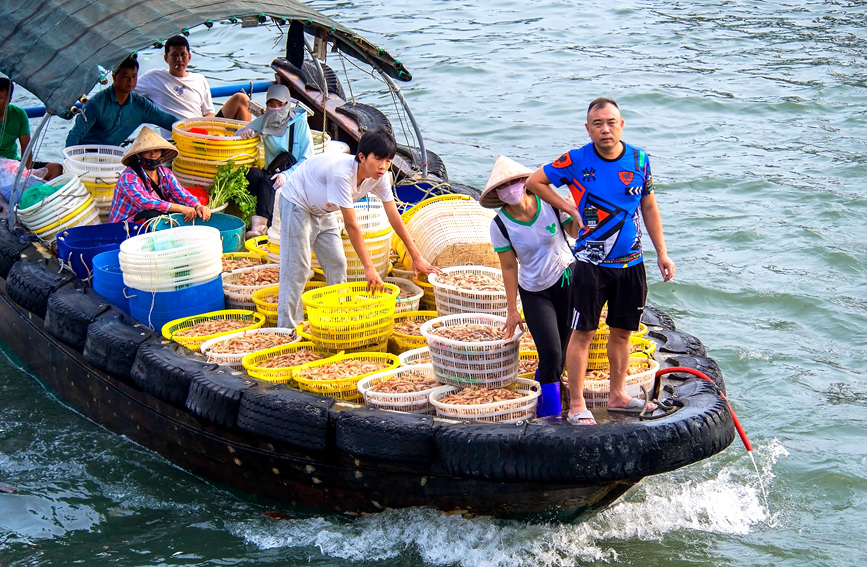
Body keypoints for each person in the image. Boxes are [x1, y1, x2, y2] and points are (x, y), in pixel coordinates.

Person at [526, 97, 675, 425]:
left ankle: (618, 395)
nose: (605, 129)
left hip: (631, 264)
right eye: (598, 124)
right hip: (591, 266)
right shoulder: (576, 160)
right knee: (583, 333)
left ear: (621, 125)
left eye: (611, 122)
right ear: (588, 128)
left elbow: (649, 207)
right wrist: (568, 208)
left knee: (622, 333)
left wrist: (662, 252)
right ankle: (577, 403)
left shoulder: (639, 159)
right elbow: (534, 182)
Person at [275, 126, 439, 331]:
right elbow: (352, 225)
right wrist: (369, 268)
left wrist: (416, 256)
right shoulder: (342, 174)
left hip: (323, 209)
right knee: (297, 269)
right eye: (378, 159)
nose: (383, 166)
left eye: (388, 161)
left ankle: (334, 319)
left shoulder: (379, 177)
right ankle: (288, 328)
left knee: (337, 263)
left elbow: (394, 216)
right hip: (297, 202)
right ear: (362, 157)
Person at [480, 155, 581, 418]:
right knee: (550, 350)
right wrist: (512, 309)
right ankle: (552, 414)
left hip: (566, 278)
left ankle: (543, 389)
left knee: (563, 348)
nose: (511, 189)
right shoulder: (500, 225)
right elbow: (509, 267)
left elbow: (572, 231)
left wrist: (574, 211)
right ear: (497, 194)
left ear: (526, 182)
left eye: (515, 182)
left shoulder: (548, 203)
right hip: (534, 290)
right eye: (504, 186)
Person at [237, 83, 314, 238]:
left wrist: (287, 174)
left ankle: (260, 228)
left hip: (295, 174)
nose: (276, 109)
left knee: (268, 182)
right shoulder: (264, 120)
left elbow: (307, 159)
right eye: (271, 105)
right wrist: (247, 132)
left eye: (281, 105)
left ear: (288, 104)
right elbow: (236, 135)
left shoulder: (299, 123)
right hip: (271, 171)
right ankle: (257, 218)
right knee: (251, 175)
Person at [135, 35, 251, 136]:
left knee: (242, 99)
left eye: (183, 55)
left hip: (203, 130)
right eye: (174, 55)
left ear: (189, 57)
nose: (179, 59)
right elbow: (126, 89)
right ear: (166, 58)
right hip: (176, 136)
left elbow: (209, 112)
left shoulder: (199, 79)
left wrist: (209, 131)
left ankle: (244, 143)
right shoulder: (153, 77)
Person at [65, 57, 179, 148]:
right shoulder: (97, 103)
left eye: (134, 76)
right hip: (85, 155)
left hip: (112, 157)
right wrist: (71, 162)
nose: (131, 81)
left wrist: (191, 134)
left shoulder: (141, 105)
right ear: (114, 77)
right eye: (125, 77)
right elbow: (75, 135)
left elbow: (169, 121)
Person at [108, 126, 210, 223]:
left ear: (162, 153)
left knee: (188, 212)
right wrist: (181, 208)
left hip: (149, 215)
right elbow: (145, 202)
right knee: (154, 215)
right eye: (147, 152)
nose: (153, 155)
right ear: (139, 155)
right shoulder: (128, 177)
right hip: (124, 225)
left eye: (156, 151)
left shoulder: (166, 174)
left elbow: (181, 194)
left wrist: (197, 206)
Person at [0, 78, 62, 178]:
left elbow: (27, 149)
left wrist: (24, 172)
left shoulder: (19, 114)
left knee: (56, 168)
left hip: (12, 164)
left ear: (9, 100)